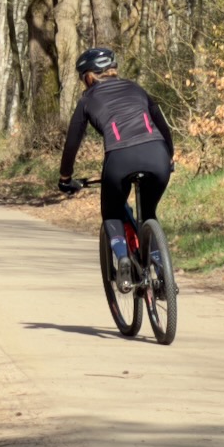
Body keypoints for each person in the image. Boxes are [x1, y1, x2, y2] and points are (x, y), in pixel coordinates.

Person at [58, 48, 174, 284]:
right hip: (158, 154)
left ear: (89, 76)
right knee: (149, 211)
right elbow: (162, 125)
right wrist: (169, 157)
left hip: (120, 158)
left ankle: (121, 256)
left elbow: (72, 141)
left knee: (112, 212)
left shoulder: (87, 99)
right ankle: (160, 267)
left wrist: (65, 177)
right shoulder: (136, 88)